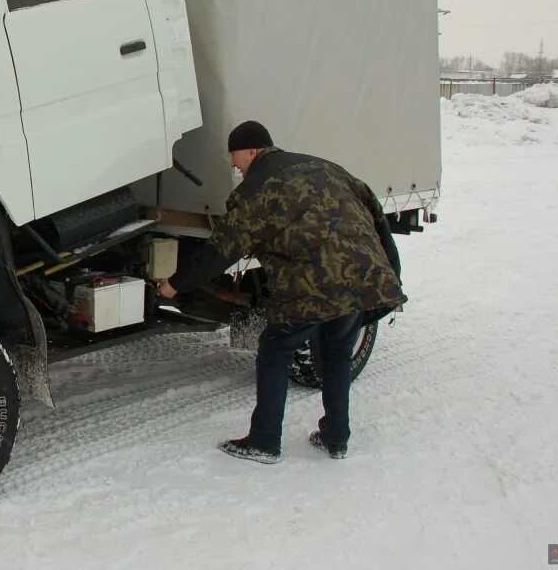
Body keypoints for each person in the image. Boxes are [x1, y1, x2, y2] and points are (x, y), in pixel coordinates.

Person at [158, 120, 405, 464]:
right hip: (360, 276)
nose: (234, 165)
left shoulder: (256, 189)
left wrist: (176, 283)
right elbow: (376, 217)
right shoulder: (327, 168)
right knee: (335, 354)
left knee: (275, 349)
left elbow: (222, 249)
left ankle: (264, 441)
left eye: (235, 156)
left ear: (252, 151)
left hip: (312, 285)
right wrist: (392, 273)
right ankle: (336, 437)